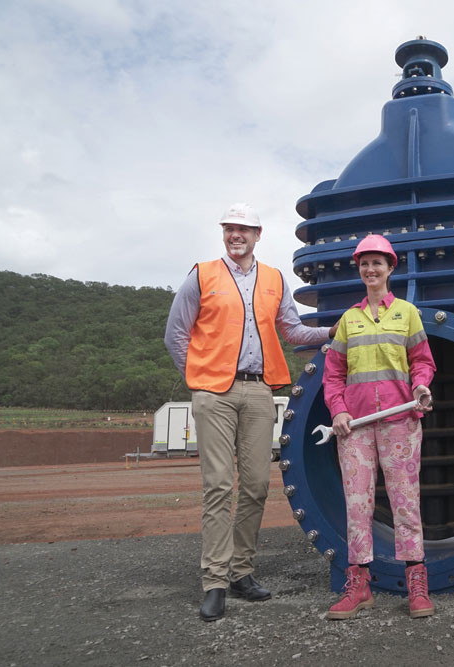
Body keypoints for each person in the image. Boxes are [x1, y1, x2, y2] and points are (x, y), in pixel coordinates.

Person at [164, 202, 336, 622]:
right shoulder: (201, 275)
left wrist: (334, 329)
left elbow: (292, 330)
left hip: (259, 391)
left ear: (258, 235)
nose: (236, 235)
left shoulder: (274, 279)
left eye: (244, 229)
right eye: (229, 228)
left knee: (257, 484)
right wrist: (201, 378)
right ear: (224, 233)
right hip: (214, 394)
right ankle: (215, 581)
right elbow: (176, 335)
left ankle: (242, 571)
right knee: (219, 485)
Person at [322, 234, 436, 620]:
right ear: (359, 269)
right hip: (354, 429)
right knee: (358, 504)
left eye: (377, 263)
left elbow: (423, 360)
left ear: (391, 268)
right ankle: (359, 585)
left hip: (400, 422)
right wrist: (338, 412)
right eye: (364, 264)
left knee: (406, 501)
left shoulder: (407, 313)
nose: (371, 270)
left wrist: (420, 385)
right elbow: (333, 374)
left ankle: (416, 583)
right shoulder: (348, 320)